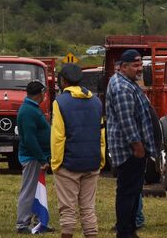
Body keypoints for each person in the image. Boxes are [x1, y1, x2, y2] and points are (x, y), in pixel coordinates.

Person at [106, 49, 157, 238]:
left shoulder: (128, 83)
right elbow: (126, 120)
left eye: (140, 65)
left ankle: (129, 230)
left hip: (132, 150)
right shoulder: (122, 87)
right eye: (135, 66)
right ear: (123, 67)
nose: (139, 69)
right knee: (128, 192)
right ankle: (125, 232)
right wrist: (138, 147)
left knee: (133, 191)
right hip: (129, 151)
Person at [51, 64, 105, 238]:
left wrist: (56, 163)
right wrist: (101, 159)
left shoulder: (60, 102)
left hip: (68, 164)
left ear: (63, 81)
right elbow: (101, 133)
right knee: (88, 209)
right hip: (92, 162)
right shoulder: (97, 101)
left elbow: (58, 137)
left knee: (67, 210)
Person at [16, 80, 51, 234]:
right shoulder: (28, 111)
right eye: (44, 92)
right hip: (32, 158)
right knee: (29, 190)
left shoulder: (32, 108)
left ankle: (39, 221)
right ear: (40, 93)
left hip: (37, 157)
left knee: (38, 190)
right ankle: (22, 224)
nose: (45, 95)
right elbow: (29, 139)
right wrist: (42, 159)